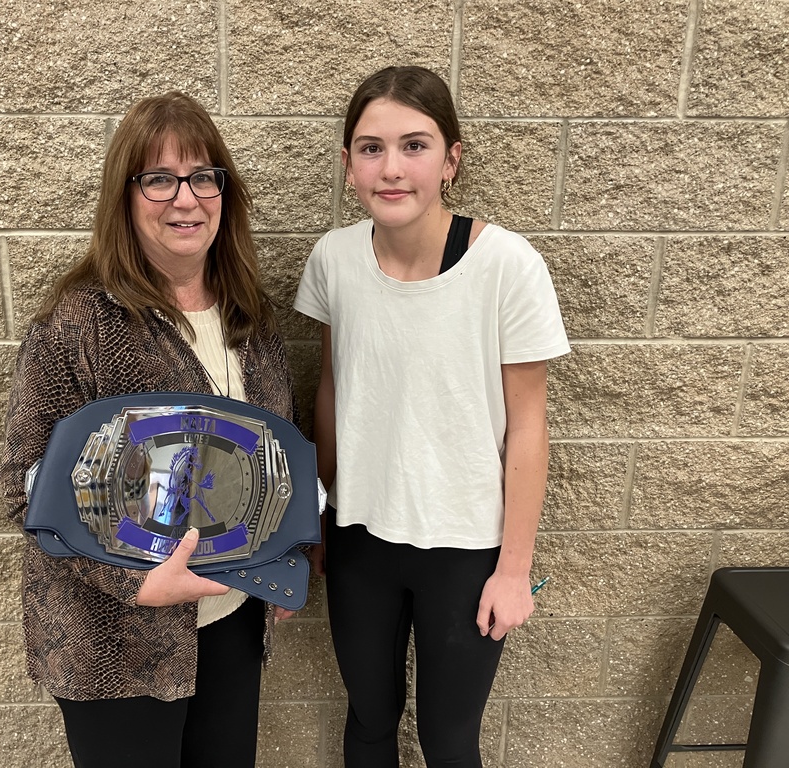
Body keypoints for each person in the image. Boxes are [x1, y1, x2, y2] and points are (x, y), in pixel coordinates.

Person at [0, 91, 297, 768]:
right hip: (115, 644)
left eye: (202, 176)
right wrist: (134, 583)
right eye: (159, 178)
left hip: (230, 622)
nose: (185, 198)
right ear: (125, 197)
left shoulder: (252, 320)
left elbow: (270, 462)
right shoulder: (80, 323)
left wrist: (279, 558)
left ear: (226, 192)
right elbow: (26, 485)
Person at [294, 66, 570, 768]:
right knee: (368, 722)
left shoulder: (507, 266)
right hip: (360, 539)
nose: (391, 168)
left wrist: (514, 567)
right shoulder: (333, 260)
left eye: (414, 146)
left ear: (451, 159)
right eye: (370, 147)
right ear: (348, 164)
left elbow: (529, 427)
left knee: (449, 740)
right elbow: (332, 386)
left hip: (466, 546)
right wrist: (317, 517)